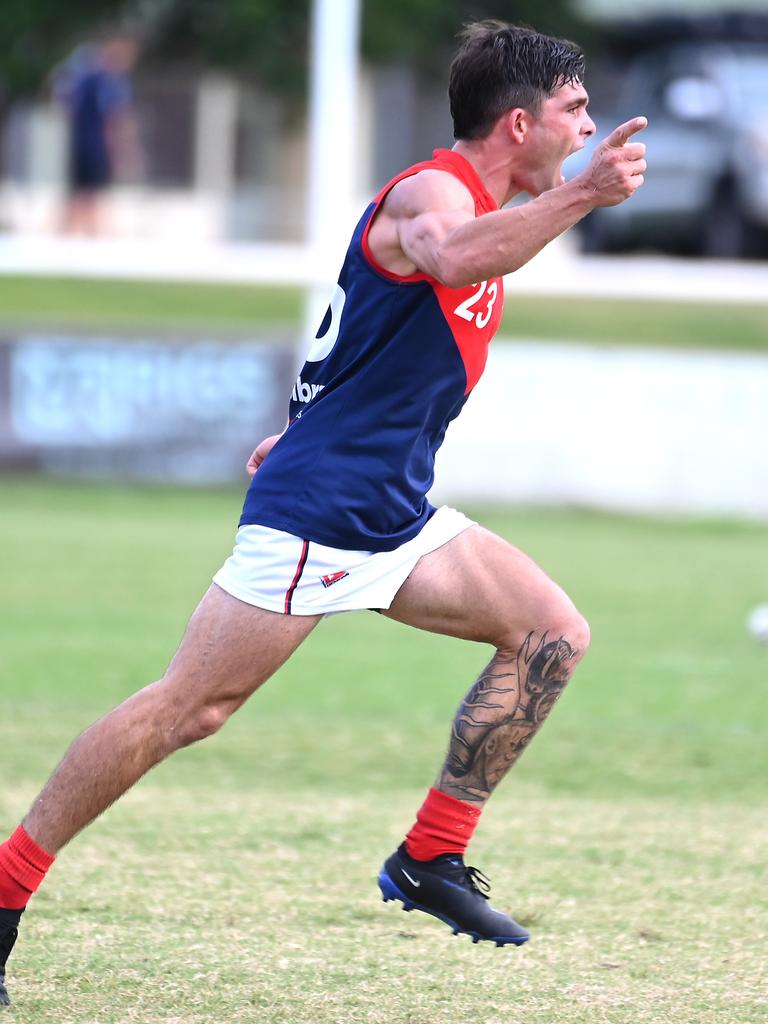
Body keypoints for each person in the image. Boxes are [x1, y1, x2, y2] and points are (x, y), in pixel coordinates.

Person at [0, 20, 647, 1004]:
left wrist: (299, 416)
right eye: (574, 110)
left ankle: (430, 857)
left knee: (551, 634)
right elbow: (446, 257)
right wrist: (584, 193)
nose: (589, 126)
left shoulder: (495, 207)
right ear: (520, 122)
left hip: (392, 512)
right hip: (323, 513)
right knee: (188, 708)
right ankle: (5, 892)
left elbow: (362, 325)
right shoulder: (438, 193)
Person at [53, 31, 142, 235]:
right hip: (94, 145)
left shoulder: (84, 75)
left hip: (80, 142)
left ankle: (73, 233)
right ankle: (86, 234)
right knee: (88, 194)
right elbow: (113, 117)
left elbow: (65, 103)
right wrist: (124, 150)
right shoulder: (105, 80)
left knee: (80, 193)